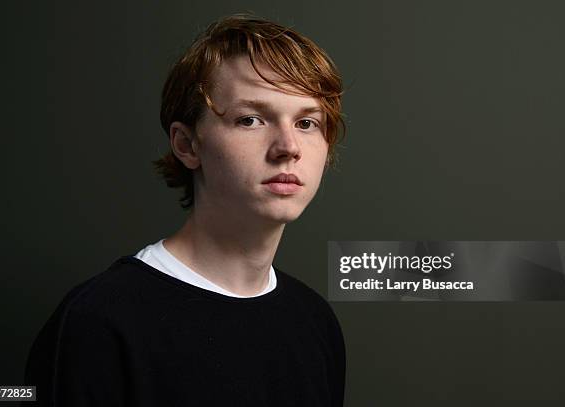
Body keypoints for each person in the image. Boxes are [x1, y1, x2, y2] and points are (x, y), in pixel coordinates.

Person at [23, 14, 346, 406]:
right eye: (250, 119)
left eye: (307, 122)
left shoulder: (314, 323)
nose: (288, 146)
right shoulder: (98, 323)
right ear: (187, 145)